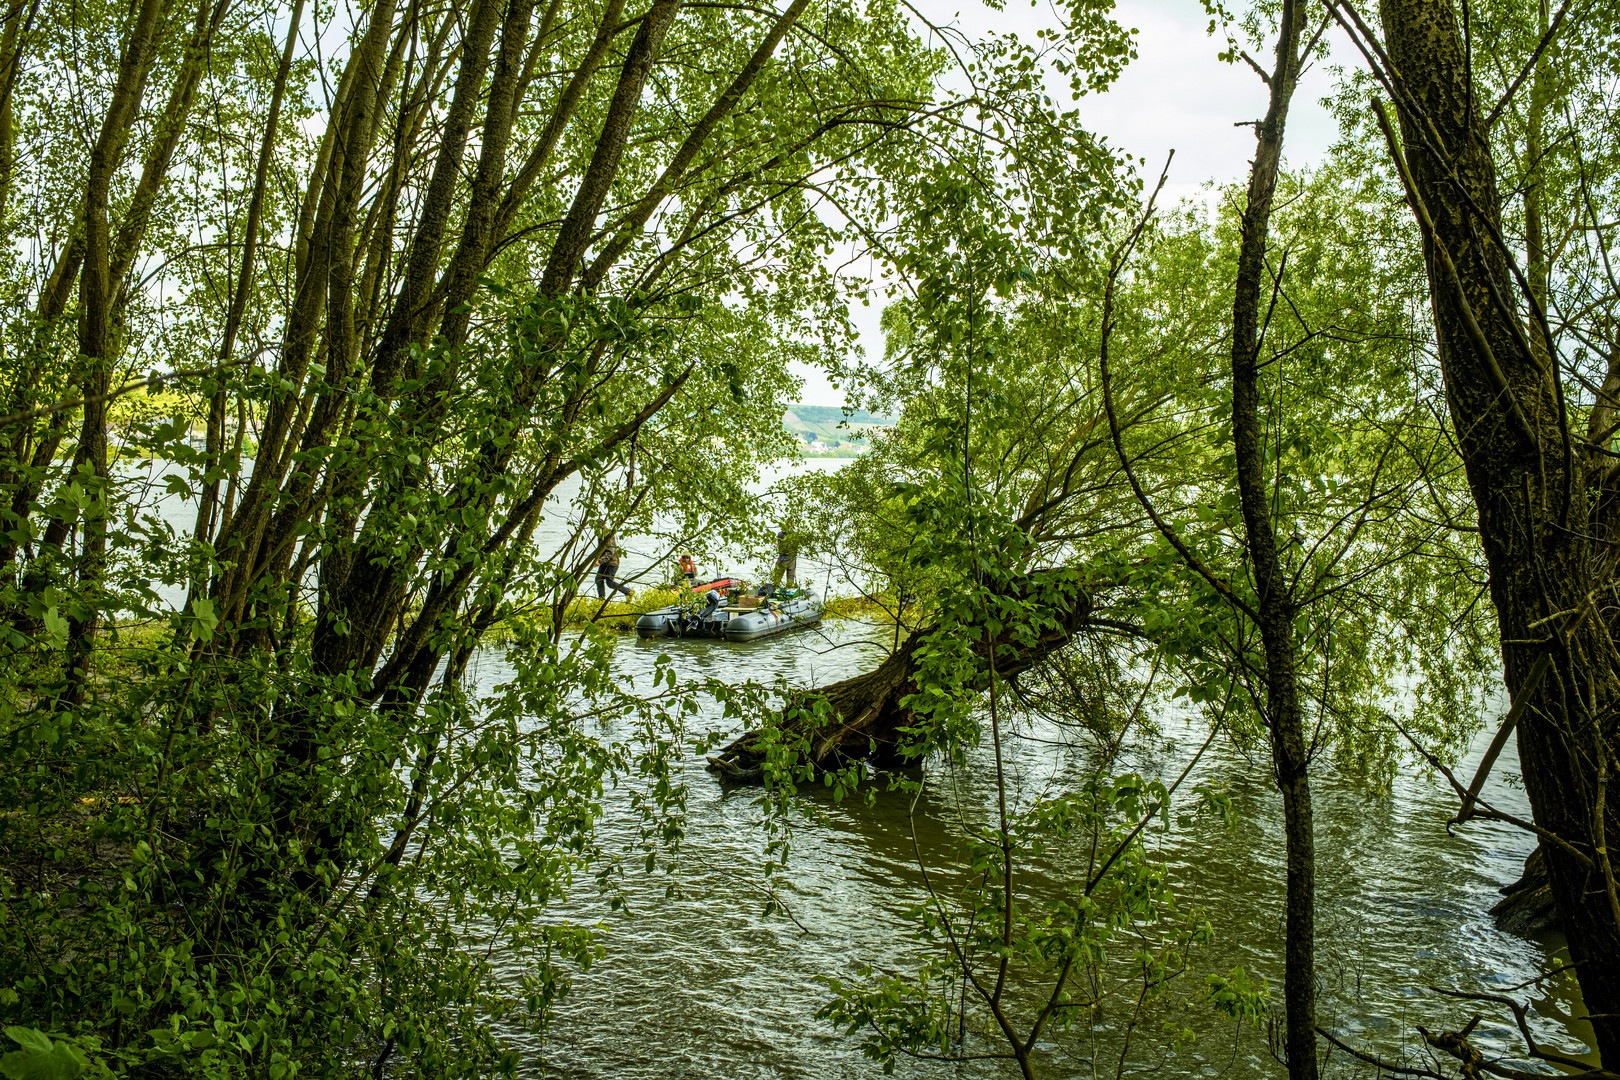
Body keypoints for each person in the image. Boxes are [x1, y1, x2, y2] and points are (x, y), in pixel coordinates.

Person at [596, 529, 633, 600]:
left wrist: (600, 561)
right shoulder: (601, 534)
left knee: (610, 582)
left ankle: (628, 592)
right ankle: (601, 599)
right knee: (598, 579)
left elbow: (610, 552)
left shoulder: (607, 535)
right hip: (605, 562)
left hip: (612, 563)